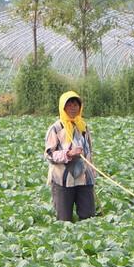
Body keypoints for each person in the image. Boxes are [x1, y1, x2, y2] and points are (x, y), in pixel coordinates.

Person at [45, 90, 96, 222]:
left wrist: (92, 172)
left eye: (75, 105)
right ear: (63, 107)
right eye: (69, 105)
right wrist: (68, 154)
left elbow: (89, 150)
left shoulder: (83, 126)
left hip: (85, 180)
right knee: (64, 220)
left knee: (88, 217)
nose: (73, 108)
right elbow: (49, 154)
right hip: (63, 180)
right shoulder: (56, 128)